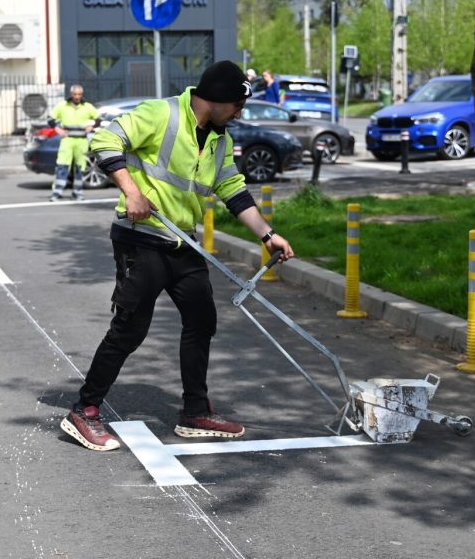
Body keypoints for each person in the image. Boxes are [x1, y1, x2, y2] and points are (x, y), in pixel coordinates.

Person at [60, 60, 295, 452]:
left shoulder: (219, 140)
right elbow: (103, 140)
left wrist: (267, 235)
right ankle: (84, 410)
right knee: (130, 329)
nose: (239, 113)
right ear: (217, 98)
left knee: (202, 320)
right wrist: (132, 192)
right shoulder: (162, 114)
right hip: (141, 238)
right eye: (237, 104)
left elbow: (232, 188)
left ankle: (195, 411)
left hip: (182, 242)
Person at [48, 85, 99, 201]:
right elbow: (50, 119)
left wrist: (91, 126)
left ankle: (77, 193)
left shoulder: (87, 106)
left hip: (81, 141)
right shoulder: (63, 106)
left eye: (79, 94)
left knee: (80, 167)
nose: (77, 97)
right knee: (62, 166)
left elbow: (98, 119)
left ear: (82, 94)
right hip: (67, 140)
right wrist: (57, 129)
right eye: (75, 94)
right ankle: (56, 193)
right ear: (71, 94)